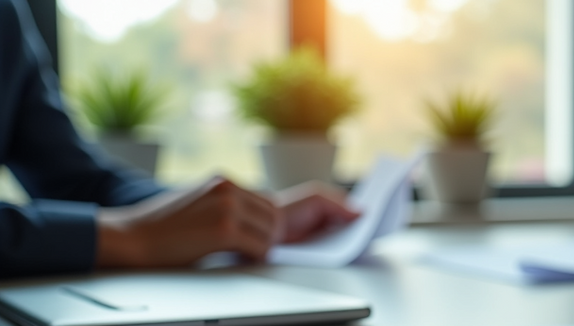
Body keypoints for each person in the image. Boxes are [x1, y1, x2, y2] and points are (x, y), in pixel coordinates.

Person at [0, 0, 357, 279]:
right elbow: (129, 226)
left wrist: (247, 215)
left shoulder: (6, 15)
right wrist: (130, 237)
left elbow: (78, 182)